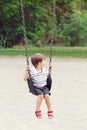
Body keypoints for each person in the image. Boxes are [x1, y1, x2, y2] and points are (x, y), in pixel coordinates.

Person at [24, 53, 53, 119]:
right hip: (36, 88)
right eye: (43, 60)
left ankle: (50, 110)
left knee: (47, 96)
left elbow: (49, 75)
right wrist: (26, 71)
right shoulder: (31, 71)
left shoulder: (44, 70)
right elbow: (25, 78)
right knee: (40, 96)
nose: (45, 62)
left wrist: (51, 68)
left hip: (44, 86)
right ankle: (37, 110)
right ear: (39, 63)